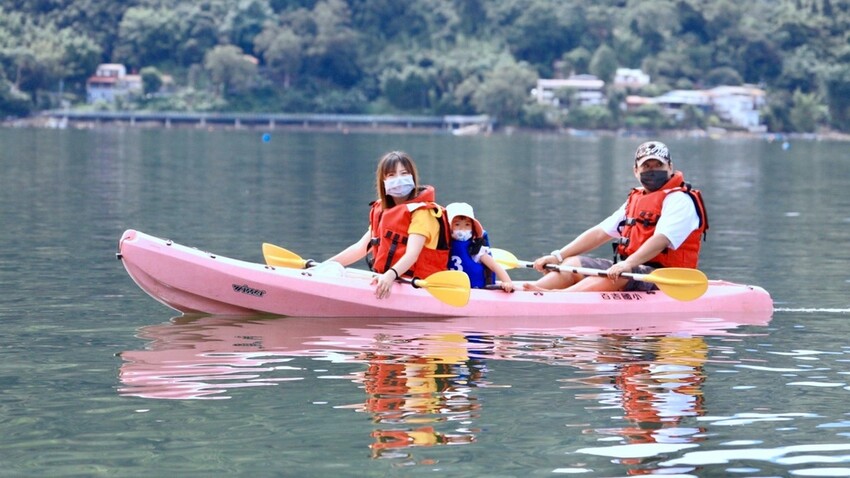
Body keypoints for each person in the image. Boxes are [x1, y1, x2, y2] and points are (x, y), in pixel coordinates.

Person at [524, 141, 708, 292]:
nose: (652, 170)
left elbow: (661, 240)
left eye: (658, 165)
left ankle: (560, 297)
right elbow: (599, 233)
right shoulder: (636, 199)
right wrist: (557, 256)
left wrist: (627, 264)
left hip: (669, 278)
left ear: (670, 167)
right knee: (572, 262)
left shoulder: (680, 200)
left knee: (620, 274)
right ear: (636, 170)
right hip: (632, 268)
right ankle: (532, 290)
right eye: (646, 166)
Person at [326, 151, 450, 299]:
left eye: (404, 173)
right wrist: (324, 265)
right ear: (383, 181)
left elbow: (412, 254)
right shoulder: (384, 212)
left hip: (419, 285)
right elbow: (360, 248)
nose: (399, 179)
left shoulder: (422, 213)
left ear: (412, 177)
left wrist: (390, 275)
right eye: (391, 175)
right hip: (391, 278)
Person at [446, 202, 514, 292]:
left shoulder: (476, 249)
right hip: (452, 290)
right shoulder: (444, 247)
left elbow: (494, 266)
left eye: (467, 225)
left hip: (476, 290)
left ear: (473, 228)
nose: (463, 229)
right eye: (457, 225)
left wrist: (507, 282)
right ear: (448, 227)